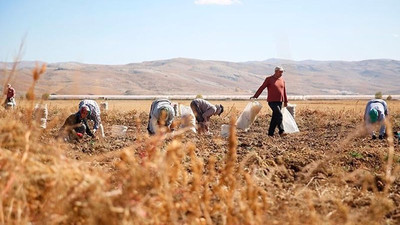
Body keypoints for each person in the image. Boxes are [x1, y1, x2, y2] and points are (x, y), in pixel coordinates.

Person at [251, 66, 288, 137]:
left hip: (280, 101)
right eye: (280, 72)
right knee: (279, 115)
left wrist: (286, 101)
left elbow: (284, 91)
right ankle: (281, 131)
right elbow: (262, 88)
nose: (282, 73)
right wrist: (255, 96)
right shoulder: (269, 79)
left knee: (275, 117)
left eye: (282, 72)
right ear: (276, 71)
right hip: (272, 101)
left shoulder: (282, 80)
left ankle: (270, 134)